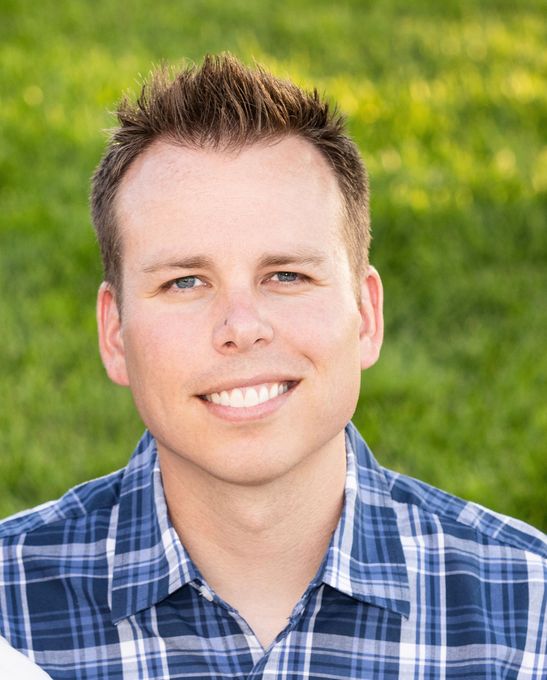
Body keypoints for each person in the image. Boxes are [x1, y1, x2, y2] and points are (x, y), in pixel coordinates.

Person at [0, 54, 545, 679]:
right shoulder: (7, 618)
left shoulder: (530, 615)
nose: (240, 327)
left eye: (286, 275)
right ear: (115, 332)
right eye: (185, 282)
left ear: (365, 314)